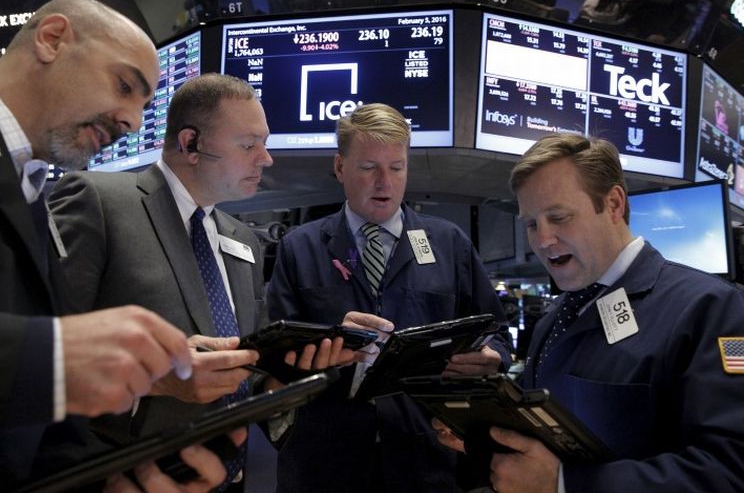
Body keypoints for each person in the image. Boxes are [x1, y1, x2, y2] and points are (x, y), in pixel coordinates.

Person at [0, 0, 235, 492]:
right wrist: (47, 357)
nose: (133, 122)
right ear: (52, 38)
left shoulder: (37, 203)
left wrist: (111, 480)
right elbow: (28, 365)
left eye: (145, 106)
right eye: (125, 86)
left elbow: (16, 429)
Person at [48, 72, 351, 489]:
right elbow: (42, 350)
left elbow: (244, 363)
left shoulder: (241, 238)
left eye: (263, 142)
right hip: (124, 479)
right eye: (249, 145)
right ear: (191, 144)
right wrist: (155, 381)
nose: (266, 158)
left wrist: (288, 373)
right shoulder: (98, 201)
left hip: (228, 479)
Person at [435, 133, 744, 492]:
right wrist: (481, 430)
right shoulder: (554, 318)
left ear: (613, 204)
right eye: (532, 224)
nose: (543, 240)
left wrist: (566, 484)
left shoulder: (710, 309)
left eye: (559, 217)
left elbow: (731, 469)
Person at [266, 103, 513, 492]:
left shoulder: (448, 243)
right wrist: (329, 339)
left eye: (396, 167)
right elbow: (273, 355)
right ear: (340, 167)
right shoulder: (301, 247)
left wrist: (494, 357)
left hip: (427, 461)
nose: (384, 182)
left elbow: (496, 331)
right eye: (368, 167)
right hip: (323, 462)